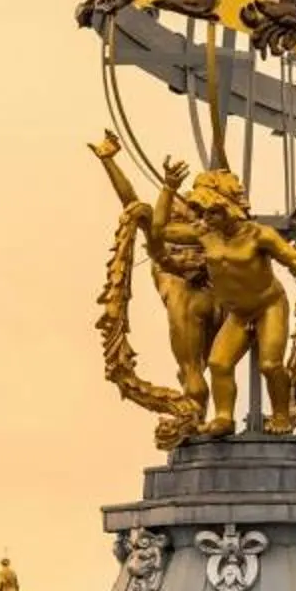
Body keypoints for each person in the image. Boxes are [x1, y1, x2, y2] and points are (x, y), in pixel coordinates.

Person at [178, 167, 296, 436]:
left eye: (212, 211)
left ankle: (281, 412)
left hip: (268, 305)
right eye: (203, 212)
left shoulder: (260, 236)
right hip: (238, 313)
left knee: (270, 365)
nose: (206, 218)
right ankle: (224, 417)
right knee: (218, 363)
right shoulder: (205, 234)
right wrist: (168, 189)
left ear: (229, 208)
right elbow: (161, 230)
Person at [89, 131, 212, 410]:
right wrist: (109, 161)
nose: (192, 211)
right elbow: (132, 202)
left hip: (206, 291)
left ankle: (198, 416)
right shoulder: (167, 233)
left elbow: (133, 204)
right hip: (188, 292)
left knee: (203, 368)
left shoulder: (201, 227)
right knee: (200, 369)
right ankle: (196, 417)